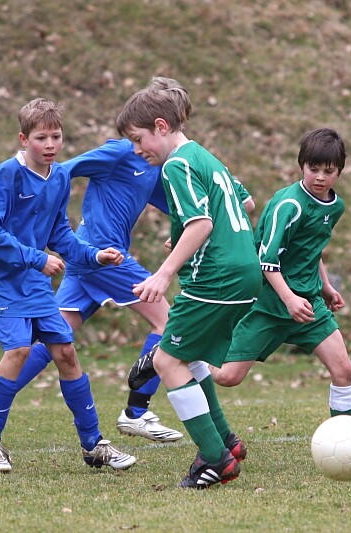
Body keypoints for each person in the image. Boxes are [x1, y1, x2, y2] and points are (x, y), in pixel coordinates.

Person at [0, 138, 191, 444]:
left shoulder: (155, 164)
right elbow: (62, 171)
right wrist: (32, 218)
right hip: (104, 254)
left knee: (58, 341)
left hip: (89, 256)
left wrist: (181, 231)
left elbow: (178, 209)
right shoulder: (120, 151)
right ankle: (136, 412)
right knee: (168, 322)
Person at [0, 97, 134, 473]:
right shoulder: (7, 175)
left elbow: (60, 233)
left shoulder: (59, 177)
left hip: (32, 280)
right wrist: (36, 258)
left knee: (65, 352)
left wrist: (94, 255)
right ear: (23, 139)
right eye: (41, 138)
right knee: (18, 350)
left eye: (56, 137)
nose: (50, 145)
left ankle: (94, 445)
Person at [208, 127, 351, 472]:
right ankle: (188, 357)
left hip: (308, 304)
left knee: (344, 369)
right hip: (269, 305)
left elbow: (310, 249)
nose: (320, 177)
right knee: (227, 377)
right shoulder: (288, 205)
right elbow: (266, 260)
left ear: (339, 171)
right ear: (301, 165)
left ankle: (349, 447)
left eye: (328, 171)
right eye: (313, 168)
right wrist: (289, 299)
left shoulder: (335, 206)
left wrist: (325, 286)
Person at [119, 77, 261, 489]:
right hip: (244, 271)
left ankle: (215, 459)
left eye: (138, 139)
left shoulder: (176, 164)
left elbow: (202, 223)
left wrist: (164, 272)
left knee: (166, 362)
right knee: (190, 356)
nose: (137, 149)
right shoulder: (205, 156)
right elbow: (245, 202)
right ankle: (226, 441)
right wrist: (185, 232)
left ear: (161, 127)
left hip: (215, 277)